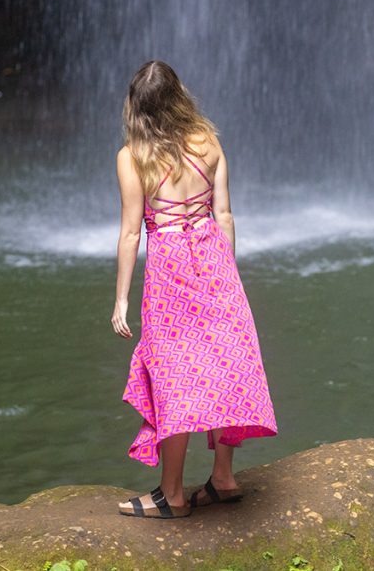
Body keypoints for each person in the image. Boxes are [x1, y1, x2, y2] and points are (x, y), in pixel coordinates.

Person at [112, 60, 278, 519]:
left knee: (174, 376)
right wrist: (227, 275)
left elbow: (131, 233)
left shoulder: (133, 157)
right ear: (179, 97)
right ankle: (223, 478)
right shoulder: (208, 143)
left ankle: (173, 495)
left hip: (168, 270)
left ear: (137, 106)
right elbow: (223, 215)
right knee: (223, 365)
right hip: (212, 259)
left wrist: (121, 299)